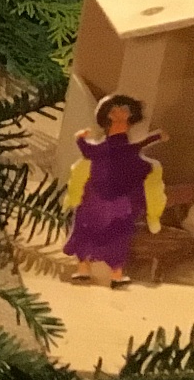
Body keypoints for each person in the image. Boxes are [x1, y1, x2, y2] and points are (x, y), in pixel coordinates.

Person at [63, 93, 165, 287]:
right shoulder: (105, 147)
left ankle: (116, 274)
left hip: (118, 195)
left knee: (119, 230)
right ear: (108, 115)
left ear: (130, 115)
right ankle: (84, 268)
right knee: (87, 226)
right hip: (97, 192)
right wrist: (80, 140)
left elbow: (133, 148)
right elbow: (93, 151)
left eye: (124, 109)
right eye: (115, 109)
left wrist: (155, 137)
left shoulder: (125, 147)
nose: (120, 112)